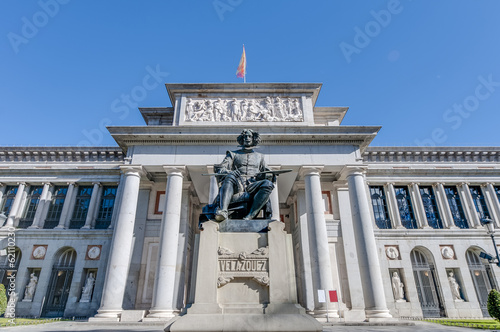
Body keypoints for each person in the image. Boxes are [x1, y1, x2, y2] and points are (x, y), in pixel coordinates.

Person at [215, 129, 274, 221]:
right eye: (245, 136)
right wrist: (229, 172)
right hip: (237, 185)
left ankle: (250, 215)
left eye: (249, 136)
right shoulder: (232, 154)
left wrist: (269, 175)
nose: (247, 138)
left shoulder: (260, 157)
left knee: (268, 184)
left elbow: (268, 173)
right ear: (242, 139)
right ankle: (223, 211)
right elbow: (220, 169)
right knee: (230, 176)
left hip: (253, 185)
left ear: (253, 139)